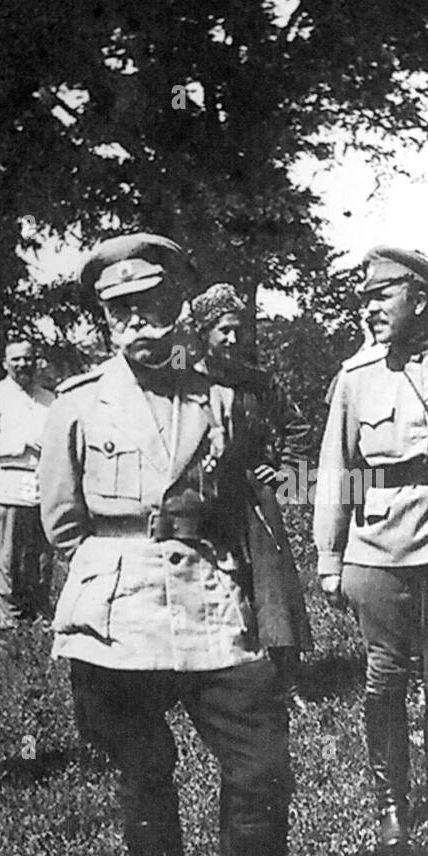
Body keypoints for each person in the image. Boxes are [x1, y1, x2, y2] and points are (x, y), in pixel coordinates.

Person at [38, 234, 325, 856]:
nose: (139, 325)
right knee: (143, 769)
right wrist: (119, 565)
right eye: (120, 312)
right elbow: (64, 522)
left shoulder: (223, 394)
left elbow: (245, 503)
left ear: (177, 309)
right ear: (105, 321)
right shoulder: (77, 403)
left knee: (260, 765)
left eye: (152, 308)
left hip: (210, 598)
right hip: (118, 611)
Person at [314, 246, 428, 849]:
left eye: (381, 296)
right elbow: (336, 472)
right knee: (384, 680)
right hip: (374, 553)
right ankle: (391, 804)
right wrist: (327, 557)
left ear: (419, 300)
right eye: (365, 298)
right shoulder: (355, 377)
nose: (369, 309)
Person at [191, 282, 313, 694]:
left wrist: (282, 474)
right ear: (203, 333)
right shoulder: (186, 386)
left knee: (271, 582)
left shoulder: (259, 382)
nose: (232, 338)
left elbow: (297, 427)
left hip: (255, 495)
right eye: (222, 329)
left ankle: (286, 680)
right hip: (206, 498)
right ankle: (216, 681)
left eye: (237, 328)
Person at [0, 339, 54, 629]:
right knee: (8, 558)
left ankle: (39, 613)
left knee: (41, 559)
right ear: (5, 363)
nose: (23, 365)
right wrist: (23, 444)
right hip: (7, 485)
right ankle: (9, 619)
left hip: (42, 488)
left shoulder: (49, 399)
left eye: (28, 359)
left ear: (37, 362)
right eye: (16, 360)